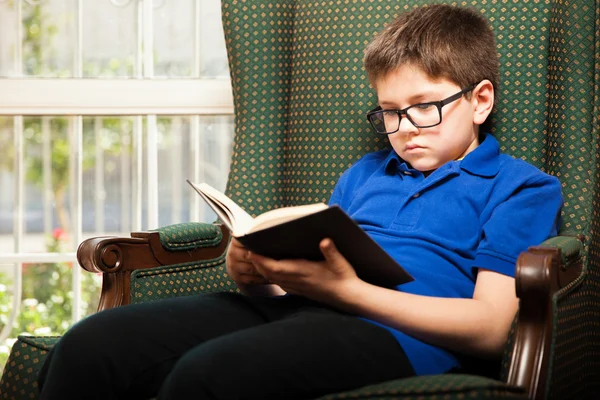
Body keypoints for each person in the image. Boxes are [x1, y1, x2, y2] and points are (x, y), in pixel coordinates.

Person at [38, 4, 563, 400]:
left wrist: (349, 293)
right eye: (388, 112)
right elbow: (311, 271)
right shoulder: (364, 174)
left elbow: (490, 329)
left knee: (212, 374)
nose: (403, 129)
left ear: (480, 100)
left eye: (424, 108)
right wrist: (254, 270)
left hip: (395, 336)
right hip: (298, 309)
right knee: (91, 346)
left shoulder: (521, 187)